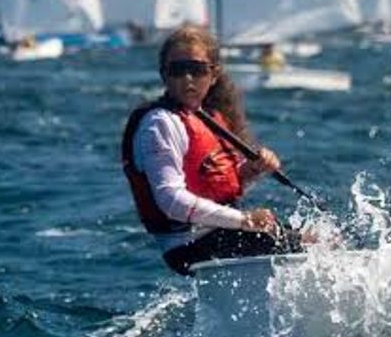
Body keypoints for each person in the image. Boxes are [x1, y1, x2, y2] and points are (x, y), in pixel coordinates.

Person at [121, 25, 301, 276]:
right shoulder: (159, 124)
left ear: (213, 75)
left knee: (319, 238)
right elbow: (171, 202)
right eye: (177, 71)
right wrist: (244, 220)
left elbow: (215, 182)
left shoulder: (210, 117)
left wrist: (251, 170)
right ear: (164, 75)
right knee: (307, 248)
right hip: (188, 246)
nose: (187, 79)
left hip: (218, 235)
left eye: (196, 70)